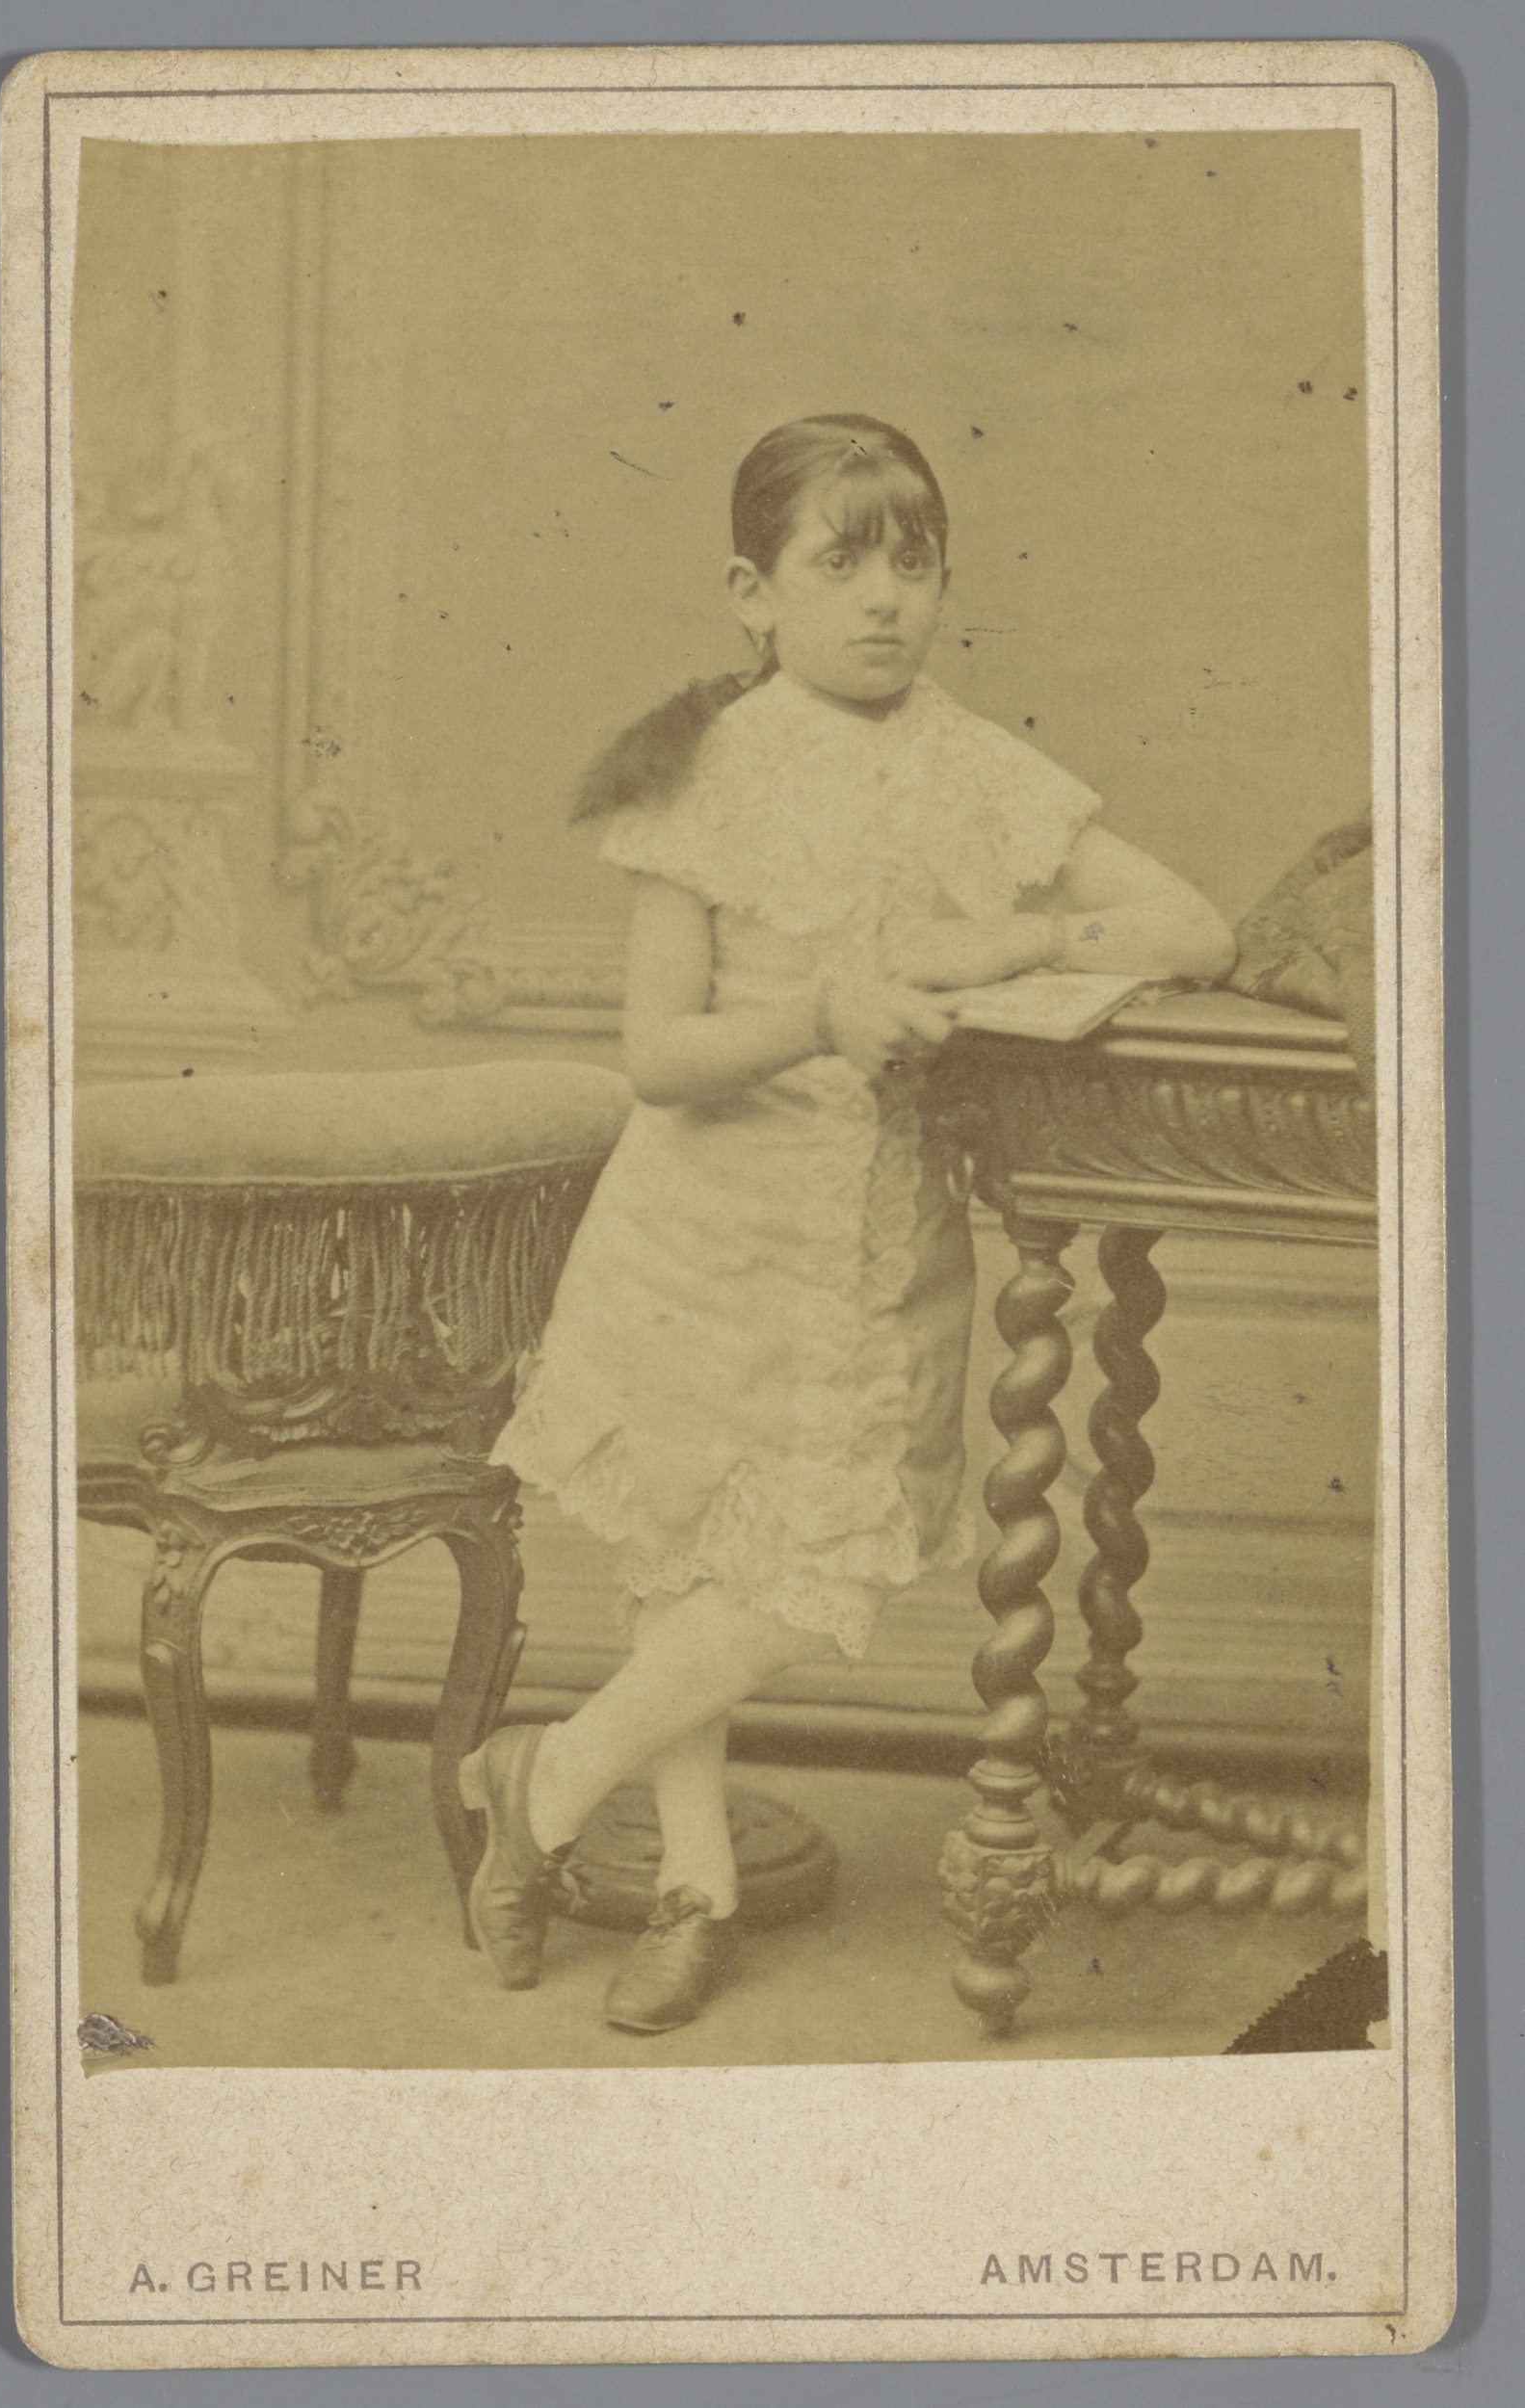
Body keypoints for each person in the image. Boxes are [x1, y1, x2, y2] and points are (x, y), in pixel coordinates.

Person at [462, 413, 1235, 2033]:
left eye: (914, 562)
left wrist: (1009, 944)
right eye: (840, 563)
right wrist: (820, 1013)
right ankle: (693, 1889)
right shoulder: (700, 774)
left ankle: (545, 1779)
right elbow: (658, 1056)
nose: (886, 597)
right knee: (686, 1556)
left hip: (876, 1253)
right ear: (754, 592)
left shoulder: (974, 766)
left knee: (815, 1569)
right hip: (690, 1237)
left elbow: (1193, 929)